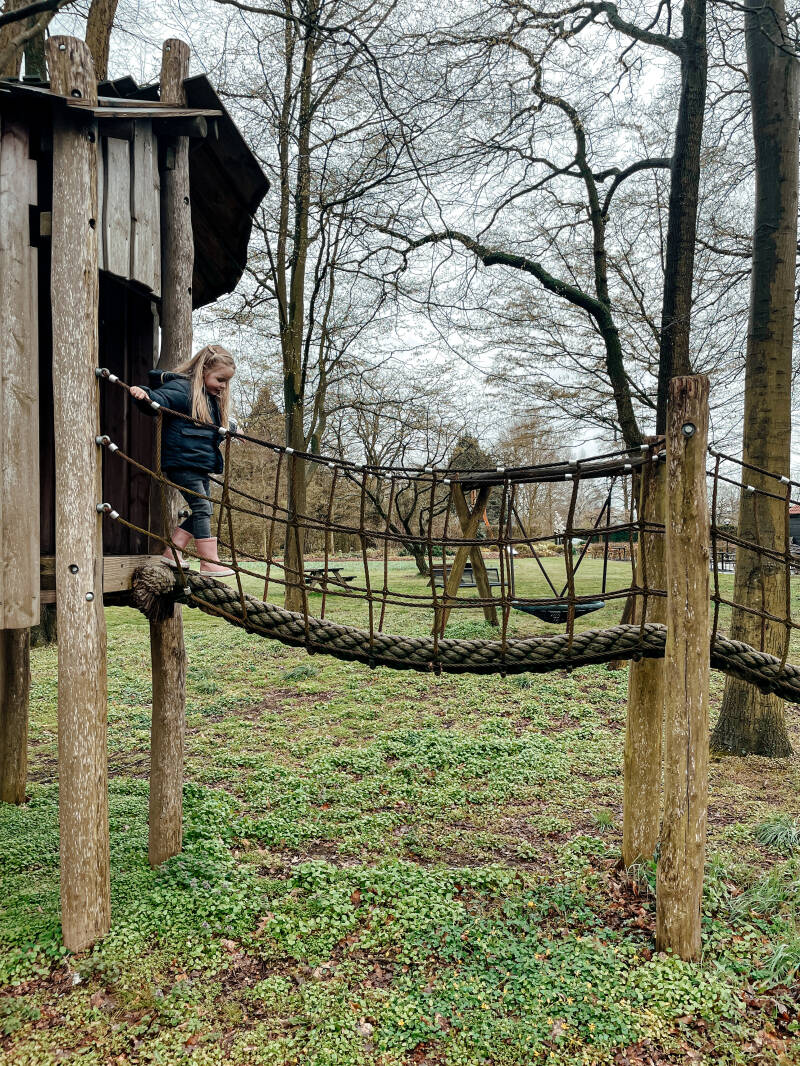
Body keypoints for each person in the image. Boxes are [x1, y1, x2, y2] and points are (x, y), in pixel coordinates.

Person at [130, 344, 237, 577]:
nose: (223, 386)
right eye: (220, 379)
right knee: (202, 507)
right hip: (182, 463)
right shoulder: (182, 389)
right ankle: (208, 562)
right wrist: (143, 393)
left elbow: (214, 424)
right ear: (203, 370)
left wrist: (231, 428)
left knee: (204, 508)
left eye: (227, 382)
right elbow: (159, 399)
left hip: (198, 464)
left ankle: (173, 552)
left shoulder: (210, 398)